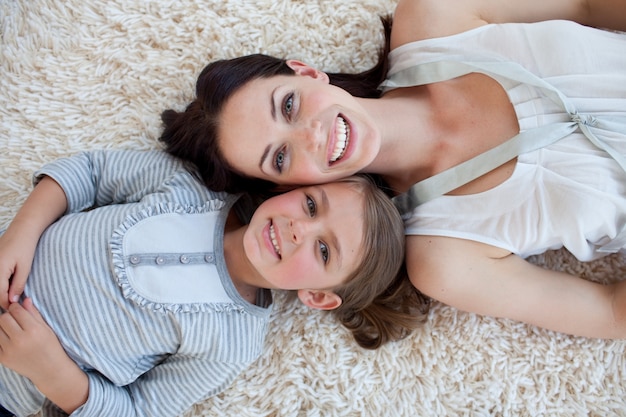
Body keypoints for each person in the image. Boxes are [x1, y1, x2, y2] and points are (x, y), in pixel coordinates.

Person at [159, 0, 626, 340]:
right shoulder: (445, 257)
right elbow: (609, 313)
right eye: (280, 157)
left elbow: (587, 5)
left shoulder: (436, 15)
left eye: (289, 105)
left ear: (305, 72)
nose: (311, 135)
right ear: (284, 186)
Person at [0, 149, 422, 417]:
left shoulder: (231, 344)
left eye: (324, 251)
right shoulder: (191, 186)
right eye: (311, 204)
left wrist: (50, 372)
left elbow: (140, 410)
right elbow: (90, 172)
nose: (299, 229)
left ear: (316, 296)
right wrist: (21, 232)